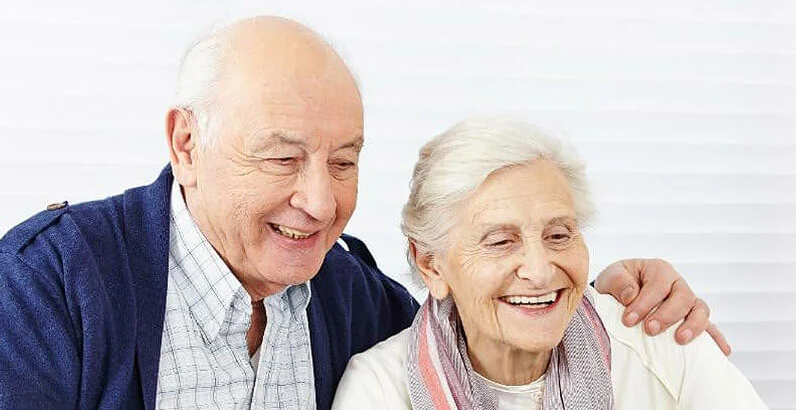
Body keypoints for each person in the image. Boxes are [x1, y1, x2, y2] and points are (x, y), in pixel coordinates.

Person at [0, 17, 726, 410]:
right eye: (283, 158)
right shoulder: (53, 282)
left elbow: (482, 313)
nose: (321, 203)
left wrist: (618, 292)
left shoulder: (356, 302)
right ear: (186, 145)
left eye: (344, 160)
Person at [331, 117, 767, 410]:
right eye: (500, 241)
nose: (539, 271)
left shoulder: (659, 339)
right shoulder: (380, 389)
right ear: (431, 266)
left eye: (559, 235)